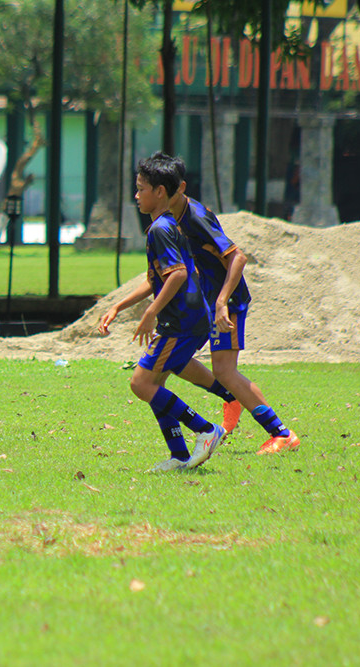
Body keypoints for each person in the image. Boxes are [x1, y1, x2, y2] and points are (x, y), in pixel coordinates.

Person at [163, 153, 300, 455]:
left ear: (179, 188)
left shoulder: (194, 217)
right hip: (203, 301)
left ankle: (282, 434)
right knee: (172, 357)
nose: (143, 195)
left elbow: (237, 256)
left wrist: (222, 302)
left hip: (226, 301)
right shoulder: (170, 218)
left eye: (154, 189)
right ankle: (231, 397)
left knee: (225, 369)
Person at [97, 154, 225, 472]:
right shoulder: (167, 225)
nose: (136, 195)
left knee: (141, 384)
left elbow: (178, 274)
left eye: (141, 189)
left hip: (181, 321)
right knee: (155, 385)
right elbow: (156, 278)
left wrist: (151, 312)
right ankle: (180, 456)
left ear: (160, 192)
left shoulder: (160, 229)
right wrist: (118, 306)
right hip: (189, 318)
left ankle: (206, 430)